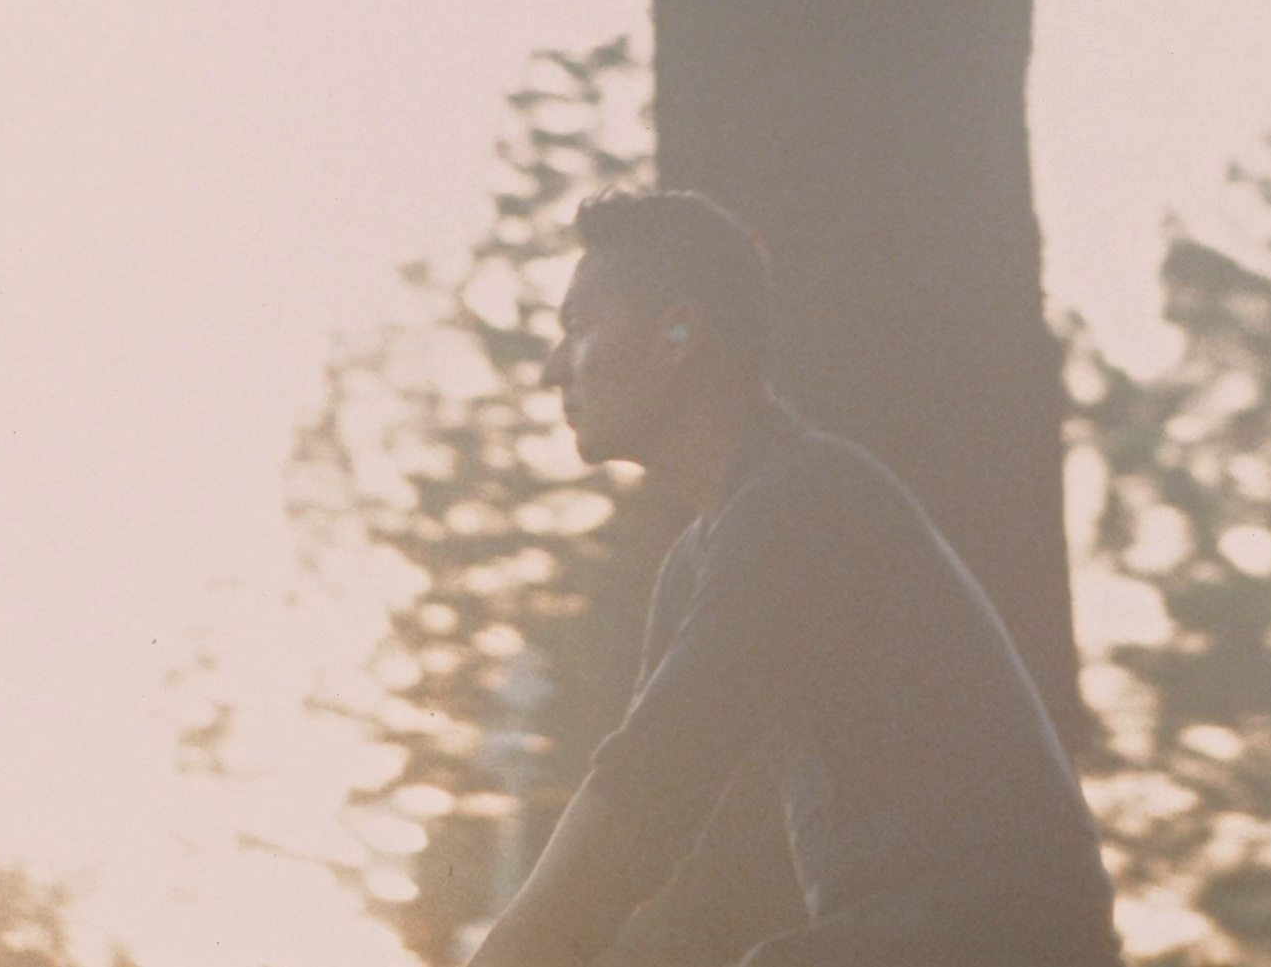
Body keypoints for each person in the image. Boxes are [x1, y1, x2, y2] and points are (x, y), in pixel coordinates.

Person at [467, 189, 1124, 967]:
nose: (552, 370)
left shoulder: (804, 501)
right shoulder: (700, 559)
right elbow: (648, 842)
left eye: (578, 327)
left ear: (680, 331)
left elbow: (645, 797)